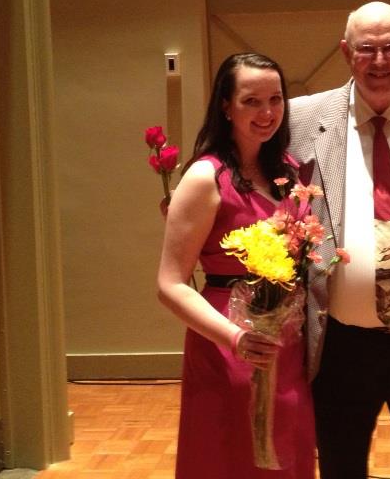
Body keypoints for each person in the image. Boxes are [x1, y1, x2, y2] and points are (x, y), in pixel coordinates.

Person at [288, 1, 390, 479]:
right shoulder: (301, 118)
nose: (379, 61)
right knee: (340, 465)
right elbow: (238, 157)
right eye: (366, 49)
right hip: (340, 342)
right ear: (346, 52)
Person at [156, 52, 315, 479]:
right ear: (226, 106)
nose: (267, 113)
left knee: (286, 451)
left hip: (286, 338)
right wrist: (235, 337)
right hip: (228, 338)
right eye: (251, 101)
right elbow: (169, 284)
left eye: (275, 99)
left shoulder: (289, 172)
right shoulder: (205, 178)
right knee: (229, 454)